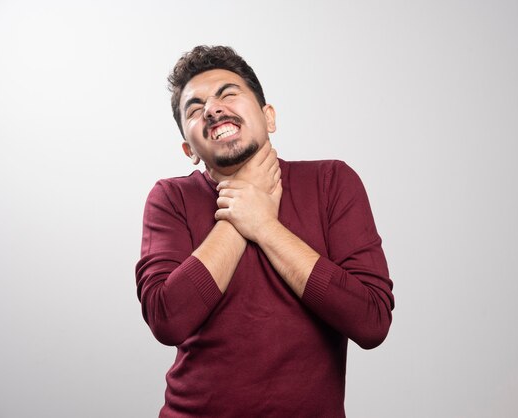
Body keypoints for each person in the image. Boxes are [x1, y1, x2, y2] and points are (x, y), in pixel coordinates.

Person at [135, 45, 394, 418]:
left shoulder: (331, 182)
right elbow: (168, 319)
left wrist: (265, 226)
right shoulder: (170, 198)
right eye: (195, 108)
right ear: (188, 149)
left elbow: (371, 322)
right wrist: (239, 215)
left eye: (228, 93)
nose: (212, 108)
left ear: (268, 117)